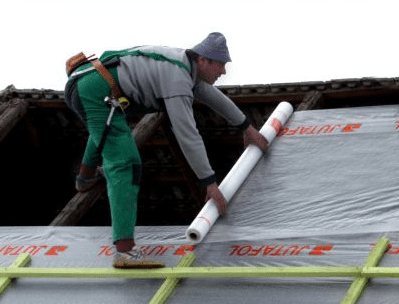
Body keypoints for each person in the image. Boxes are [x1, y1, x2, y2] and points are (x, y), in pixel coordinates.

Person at [64, 32, 268, 268]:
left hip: (93, 83)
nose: (223, 72)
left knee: (107, 131)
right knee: (126, 164)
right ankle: (124, 252)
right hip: (94, 88)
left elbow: (214, 97)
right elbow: (187, 134)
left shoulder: (185, 69)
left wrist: (247, 127)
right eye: (221, 65)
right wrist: (210, 184)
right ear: (203, 60)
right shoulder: (177, 78)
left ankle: (84, 179)